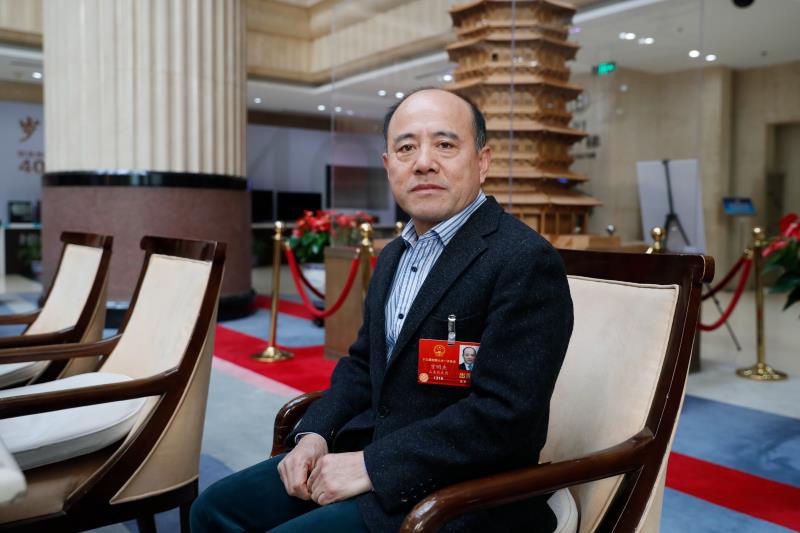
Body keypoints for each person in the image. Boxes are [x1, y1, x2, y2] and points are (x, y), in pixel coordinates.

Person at [191, 88, 573, 532]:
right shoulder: (393, 255)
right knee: (213, 510)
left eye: (445, 145)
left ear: (482, 161)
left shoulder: (523, 260)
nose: (423, 162)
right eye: (406, 148)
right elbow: (362, 365)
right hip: (369, 449)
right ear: (389, 164)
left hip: (462, 489)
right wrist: (315, 434)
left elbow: (505, 417)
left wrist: (372, 466)